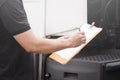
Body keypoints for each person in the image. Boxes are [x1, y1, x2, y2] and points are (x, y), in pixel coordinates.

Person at [0, 0, 86, 80]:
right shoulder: (9, 2)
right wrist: (70, 42)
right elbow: (32, 45)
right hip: (11, 75)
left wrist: (58, 41)